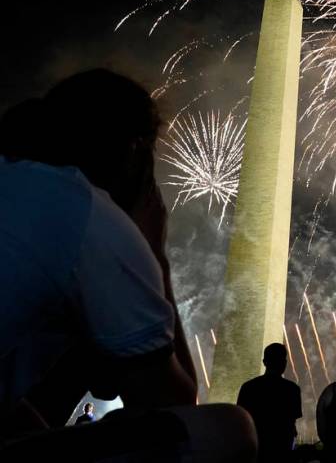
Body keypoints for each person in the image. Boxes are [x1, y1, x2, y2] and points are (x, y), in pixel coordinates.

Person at [0, 70, 256, 461]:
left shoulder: (19, 181)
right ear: (135, 153)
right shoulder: (89, 212)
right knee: (229, 427)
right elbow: (177, 405)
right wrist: (155, 253)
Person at [237, 342, 302, 462]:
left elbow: (241, 420)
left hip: (256, 446)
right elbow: (292, 421)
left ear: (264, 362)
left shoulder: (248, 387)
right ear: (284, 363)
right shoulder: (292, 389)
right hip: (281, 449)